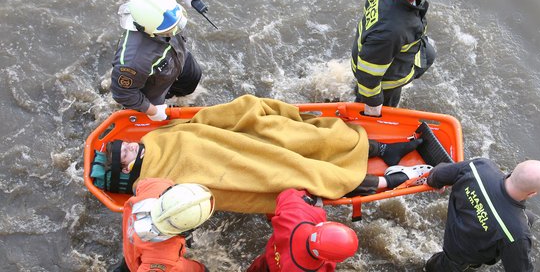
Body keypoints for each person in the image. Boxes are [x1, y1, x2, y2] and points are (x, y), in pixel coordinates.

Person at [91, 95, 433, 214]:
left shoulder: (156, 138)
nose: (132, 145)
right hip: (239, 163)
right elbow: (216, 185)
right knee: (290, 171)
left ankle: (381, 148)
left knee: (288, 134)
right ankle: (384, 179)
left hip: (235, 140)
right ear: (127, 170)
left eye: (128, 143)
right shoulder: (158, 180)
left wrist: (246, 114)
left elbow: (200, 126)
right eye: (127, 153)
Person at [424, 158, 540, 272]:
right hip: (456, 256)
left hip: (455, 229)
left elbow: (438, 175)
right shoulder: (517, 233)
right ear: (532, 193)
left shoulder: (479, 167)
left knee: (528, 218)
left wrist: (434, 182)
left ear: (514, 170)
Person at [351, 0, 440, 116]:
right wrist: (374, 105)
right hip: (386, 79)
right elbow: (368, 74)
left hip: (372, 45)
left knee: (428, 53)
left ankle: (360, 94)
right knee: (381, 107)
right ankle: (364, 109)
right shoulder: (393, 31)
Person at [112, 0, 205, 121]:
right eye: (168, 30)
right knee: (159, 117)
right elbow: (123, 93)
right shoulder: (133, 60)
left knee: (192, 78)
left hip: (179, 57)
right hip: (154, 83)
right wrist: (153, 111)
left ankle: (178, 92)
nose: (174, 31)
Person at [112, 178, 214, 272]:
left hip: (131, 253)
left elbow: (137, 185)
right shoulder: (162, 256)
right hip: (145, 265)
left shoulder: (156, 186)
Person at [247, 189, 359, 272]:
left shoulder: (294, 217)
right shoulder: (324, 266)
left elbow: (287, 194)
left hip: (266, 261)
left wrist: (307, 199)